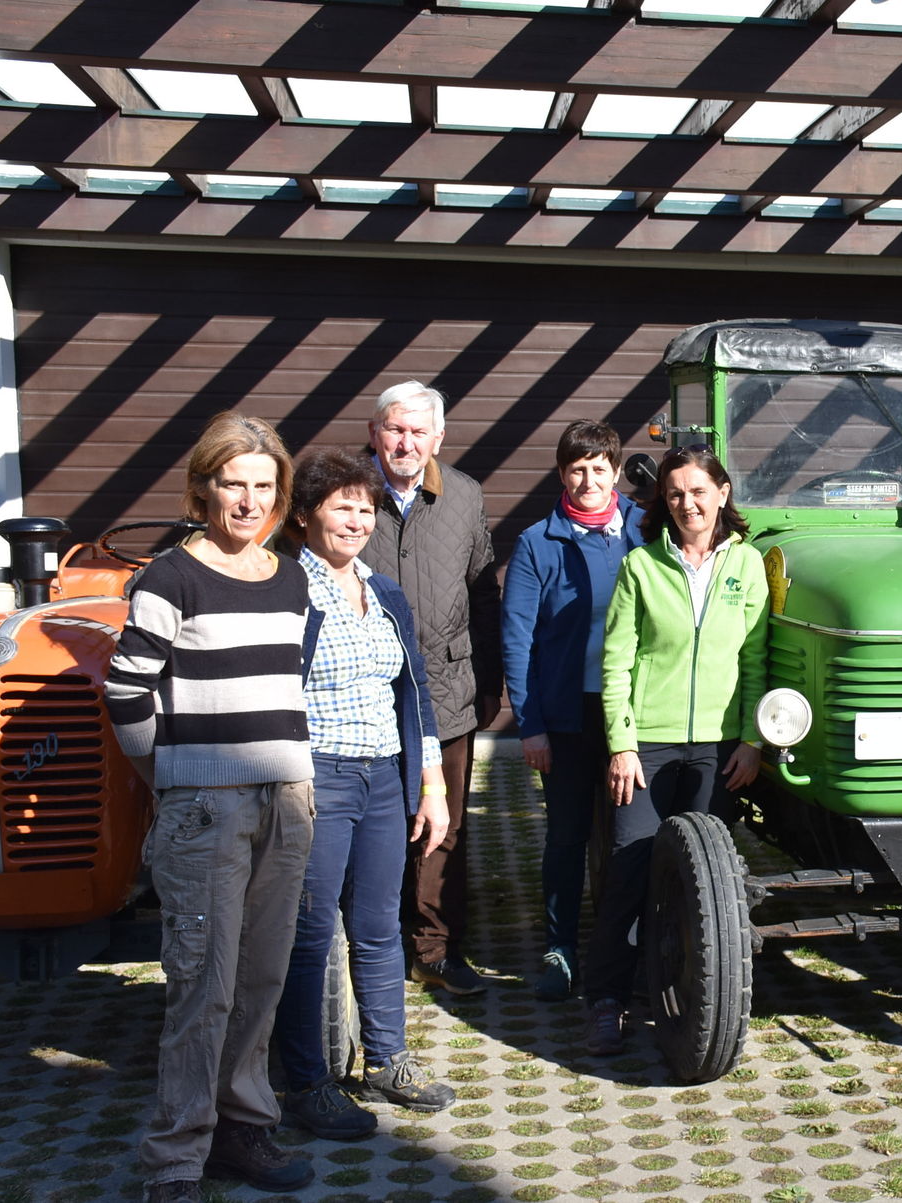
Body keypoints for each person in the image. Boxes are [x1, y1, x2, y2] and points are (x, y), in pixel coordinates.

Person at [105, 412, 316, 1203]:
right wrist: (170, 773)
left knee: (261, 976)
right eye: (234, 483)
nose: (249, 501)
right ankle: (175, 1156)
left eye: (265, 486)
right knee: (204, 983)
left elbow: (286, 683)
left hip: (288, 796)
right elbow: (126, 689)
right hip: (205, 806)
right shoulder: (170, 576)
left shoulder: (292, 576)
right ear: (204, 487)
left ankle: (241, 1130)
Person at [276, 449, 458, 1141]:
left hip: (385, 773)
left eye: (364, 505)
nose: (356, 518)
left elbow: (414, 692)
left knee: (381, 924)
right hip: (316, 775)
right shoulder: (288, 589)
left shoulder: (383, 591)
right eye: (340, 505)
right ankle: (307, 1082)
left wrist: (430, 782)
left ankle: (386, 1060)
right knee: (312, 931)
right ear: (304, 515)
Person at [581, 444, 769, 1056]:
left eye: (697, 491)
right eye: (675, 494)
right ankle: (607, 1000)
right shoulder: (642, 567)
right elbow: (617, 663)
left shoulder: (748, 566)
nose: (688, 504)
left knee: (703, 878)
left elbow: (756, 659)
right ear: (664, 502)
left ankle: (694, 993)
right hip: (650, 746)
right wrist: (622, 744)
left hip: (718, 748)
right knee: (630, 867)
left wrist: (751, 741)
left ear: (722, 492)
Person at [359, 380, 503, 996]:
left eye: (420, 432)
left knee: (441, 827)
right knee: (370, 820)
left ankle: (437, 949)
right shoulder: (345, 493)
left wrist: (490, 682)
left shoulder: (466, 496)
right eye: (395, 429)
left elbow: (481, 594)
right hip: (362, 693)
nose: (406, 442)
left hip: (445, 689)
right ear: (375, 433)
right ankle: (371, 944)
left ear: (438, 439)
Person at [502, 420, 647, 1001]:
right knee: (566, 837)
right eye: (576, 469)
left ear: (615, 471)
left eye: (598, 468)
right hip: (566, 718)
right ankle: (560, 949)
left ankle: (629, 945)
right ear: (562, 474)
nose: (588, 479)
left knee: (630, 836)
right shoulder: (539, 541)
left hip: (633, 714)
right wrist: (530, 725)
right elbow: (517, 638)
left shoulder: (645, 528)